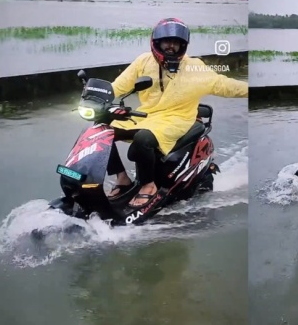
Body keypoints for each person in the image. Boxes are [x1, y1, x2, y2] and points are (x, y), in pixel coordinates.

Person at [106, 17, 248, 207]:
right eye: (167, 42)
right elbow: (118, 86)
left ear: (183, 46)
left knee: (143, 139)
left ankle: (148, 187)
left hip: (178, 119)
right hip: (146, 116)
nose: (171, 47)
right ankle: (122, 179)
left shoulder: (195, 67)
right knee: (102, 131)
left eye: (176, 43)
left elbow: (225, 85)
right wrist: (96, 95)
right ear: (157, 43)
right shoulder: (143, 62)